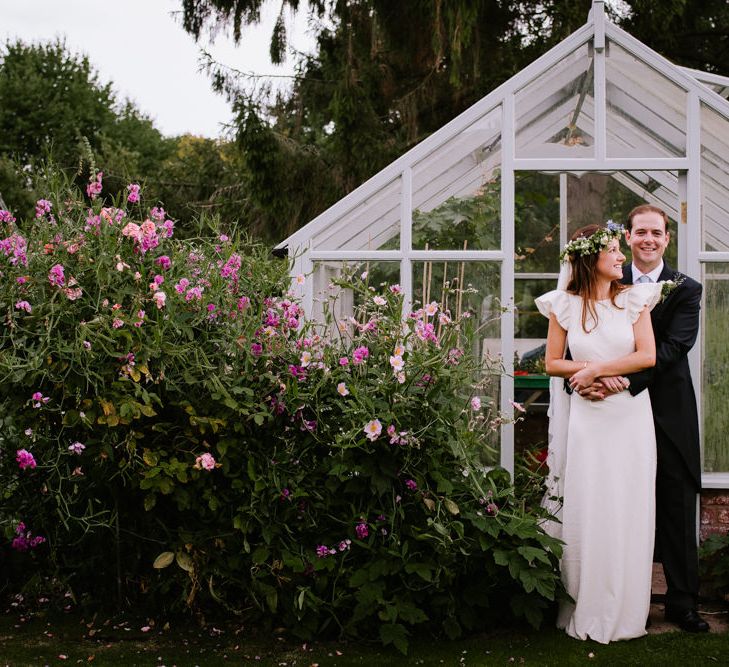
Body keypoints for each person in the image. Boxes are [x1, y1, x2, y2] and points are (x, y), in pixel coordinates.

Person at [578, 205, 707, 633]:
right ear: (628, 237)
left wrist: (621, 378)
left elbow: (673, 349)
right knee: (619, 505)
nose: (648, 239)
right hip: (613, 415)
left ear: (667, 239)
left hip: (667, 414)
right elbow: (587, 342)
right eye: (640, 232)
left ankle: (682, 603)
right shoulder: (607, 281)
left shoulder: (687, 289)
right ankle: (620, 595)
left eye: (657, 232)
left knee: (675, 505)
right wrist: (590, 381)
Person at [535, 223, 663, 643]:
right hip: (588, 417)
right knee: (591, 504)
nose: (622, 256)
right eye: (613, 250)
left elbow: (646, 355)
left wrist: (599, 371)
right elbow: (553, 362)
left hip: (629, 416)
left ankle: (626, 610)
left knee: (628, 503)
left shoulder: (635, 301)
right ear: (592, 259)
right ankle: (585, 600)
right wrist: (585, 377)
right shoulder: (564, 305)